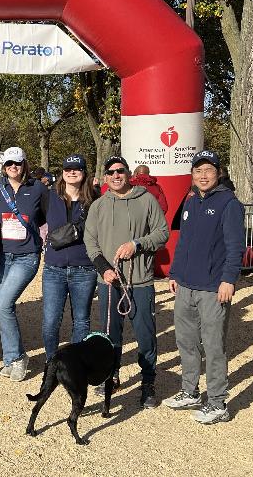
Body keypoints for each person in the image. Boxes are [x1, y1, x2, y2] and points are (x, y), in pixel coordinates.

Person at [165, 150, 245, 424]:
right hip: (186, 284)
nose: (202, 175)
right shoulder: (190, 201)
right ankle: (190, 391)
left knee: (213, 346)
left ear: (218, 173)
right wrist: (175, 272)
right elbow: (183, 242)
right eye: (198, 170)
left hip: (213, 287)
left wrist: (228, 280)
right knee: (185, 342)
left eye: (208, 170)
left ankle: (218, 402)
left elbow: (236, 248)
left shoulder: (229, 204)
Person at [84, 156, 169, 409]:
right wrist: (103, 269)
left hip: (140, 280)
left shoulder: (146, 200)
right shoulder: (98, 206)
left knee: (145, 334)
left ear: (128, 173)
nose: (116, 175)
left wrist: (137, 244)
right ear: (106, 177)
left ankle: (148, 382)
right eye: (111, 172)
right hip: (110, 281)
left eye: (120, 170)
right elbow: (91, 242)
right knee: (111, 334)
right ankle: (112, 375)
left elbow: (162, 232)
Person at [0, 147, 49, 382]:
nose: (14, 167)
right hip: (2, 256)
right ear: (4, 167)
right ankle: (10, 359)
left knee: (3, 303)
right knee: (6, 307)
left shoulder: (38, 189)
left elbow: (48, 216)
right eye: (9, 164)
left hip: (26, 255)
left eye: (18, 163)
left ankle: (16, 357)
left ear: (25, 164)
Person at [42, 154, 98, 359]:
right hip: (53, 268)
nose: (72, 172)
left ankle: (76, 362)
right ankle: (51, 360)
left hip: (84, 268)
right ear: (62, 173)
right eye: (67, 169)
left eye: (77, 169)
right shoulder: (49, 197)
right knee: (50, 321)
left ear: (84, 173)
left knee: (81, 319)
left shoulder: (95, 200)